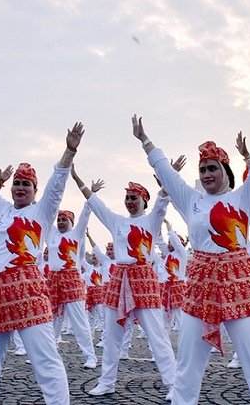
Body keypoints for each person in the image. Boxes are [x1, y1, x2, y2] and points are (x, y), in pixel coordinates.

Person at [133, 102, 250, 405]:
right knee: (186, 370)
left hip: (241, 286)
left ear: (226, 172)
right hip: (199, 288)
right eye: (203, 169)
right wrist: (145, 141)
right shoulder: (190, 200)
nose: (207, 174)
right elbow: (166, 173)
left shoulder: (243, 197)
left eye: (213, 168)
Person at [0, 124, 82, 405]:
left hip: (28, 290)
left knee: (45, 359)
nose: (19, 187)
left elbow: (57, 184)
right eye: (17, 182)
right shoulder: (2, 210)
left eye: (26, 184)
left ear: (35, 190)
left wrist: (69, 151)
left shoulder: (42, 211)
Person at [72, 165, 176, 397]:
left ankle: (173, 385)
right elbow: (97, 205)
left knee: (156, 334)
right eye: (127, 198)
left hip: (143, 278)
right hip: (119, 280)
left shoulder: (151, 221)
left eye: (134, 198)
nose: (129, 201)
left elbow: (161, 204)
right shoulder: (117, 221)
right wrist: (77, 177)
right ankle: (107, 382)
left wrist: (166, 184)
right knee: (111, 335)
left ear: (144, 200)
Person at [44, 185, 97, 369]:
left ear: (71, 222)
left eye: (64, 219)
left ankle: (90, 356)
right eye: (59, 219)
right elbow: (45, 213)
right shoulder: (50, 234)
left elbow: (85, 214)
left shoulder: (77, 234)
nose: (60, 222)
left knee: (78, 320)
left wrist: (91, 195)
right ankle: (49, 354)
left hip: (72, 280)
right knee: (53, 319)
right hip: (54, 280)